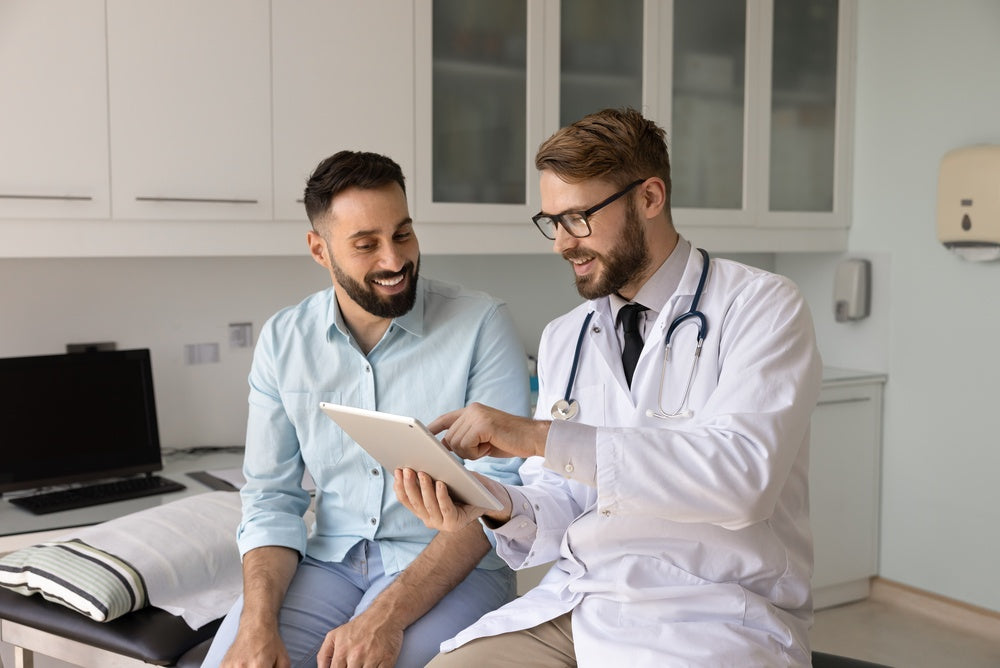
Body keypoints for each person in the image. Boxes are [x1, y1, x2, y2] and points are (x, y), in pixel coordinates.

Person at [395, 108, 823, 666]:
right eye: (552, 221)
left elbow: (741, 479)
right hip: (581, 606)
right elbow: (562, 502)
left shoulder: (762, 306)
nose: (560, 244)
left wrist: (542, 436)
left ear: (649, 198)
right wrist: (489, 503)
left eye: (578, 218)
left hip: (710, 615)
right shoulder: (564, 337)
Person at [202, 150, 529, 668]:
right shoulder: (284, 341)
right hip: (328, 562)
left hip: (453, 567)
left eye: (402, 234)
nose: (395, 261)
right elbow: (271, 497)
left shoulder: (481, 324)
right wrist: (256, 624)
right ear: (319, 249)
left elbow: (501, 496)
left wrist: (386, 617)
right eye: (365, 244)